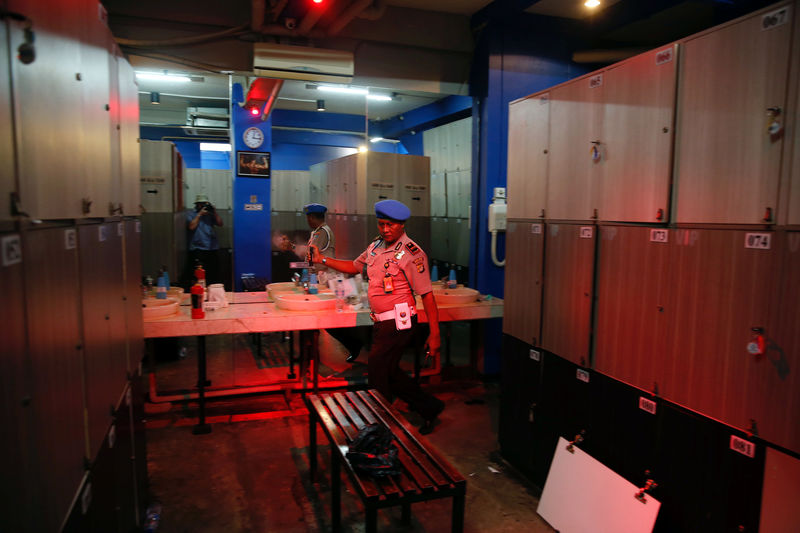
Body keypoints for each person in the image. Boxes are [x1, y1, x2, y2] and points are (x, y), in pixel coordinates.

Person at [308, 199, 445, 434]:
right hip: (381, 322)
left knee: (377, 375)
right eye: (381, 224)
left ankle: (378, 429)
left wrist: (435, 333)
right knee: (390, 373)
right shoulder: (375, 247)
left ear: (402, 225)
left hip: (399, 322)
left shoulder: (412, 253)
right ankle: (430, 407)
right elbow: (353, 266)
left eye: (390, 225)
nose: (385, 230)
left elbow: (428, 296)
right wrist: (321, 259)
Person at [304, 202, 364, 364]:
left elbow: (311, 253)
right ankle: (312, 355)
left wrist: (292, 247)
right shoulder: (317, 232)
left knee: (329, 319)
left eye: (308, 217)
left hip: (326, 281)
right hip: (320, 280)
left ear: (311, 217)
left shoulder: (322, 232)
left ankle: (353, 343)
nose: (307, 220)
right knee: (323, 319)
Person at [186, 194, 223, 286]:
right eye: (201, 204)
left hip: (212, 247)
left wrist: (214, 212)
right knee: (199, 275)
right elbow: (191, 227)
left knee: (213, 273)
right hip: (198, 248)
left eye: (205, 204)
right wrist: (199, 215)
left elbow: (220, 223)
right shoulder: (191, 214)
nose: (203, 206)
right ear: (197, 204)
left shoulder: (210, 214)